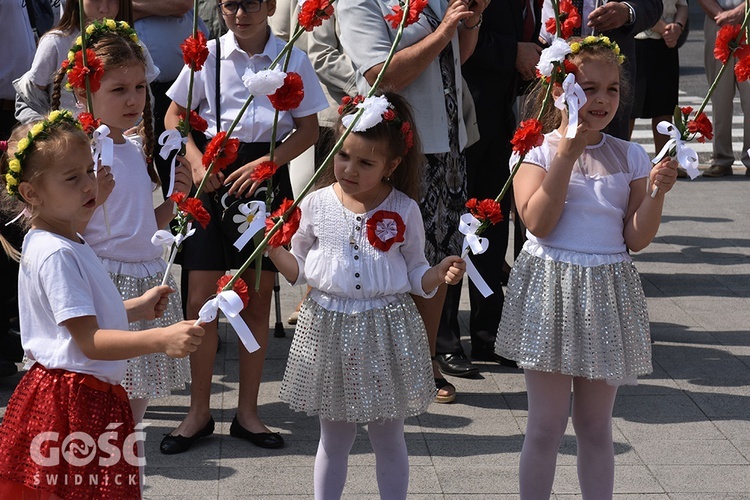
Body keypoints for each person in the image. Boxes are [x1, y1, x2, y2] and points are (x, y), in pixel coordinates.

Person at [495, 36, 678, 498]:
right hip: (551, 286)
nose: (601, 100)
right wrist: (567, 154)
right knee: (547, 424)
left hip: (605, 288)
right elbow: (538, 222)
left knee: (596, 424)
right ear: (560, 90)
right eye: (588, 87)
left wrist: (656, 192)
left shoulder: (630, 155)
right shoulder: (533, 150)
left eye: (612, 89)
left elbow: (635, 238)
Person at [268, 92, 466, 500]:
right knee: (334, 437)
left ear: (391, 165)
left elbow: (414, 274)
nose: (350, 169)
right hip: (329, 324)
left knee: (388, 436)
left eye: (365, 162)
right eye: (343, 156)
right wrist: (272, 249)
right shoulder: (316, 204)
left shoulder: (405, 208)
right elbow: (301, 269)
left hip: (385, 326)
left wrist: (437, 272)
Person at [0, 110, 203, 499]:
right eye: (72, 178)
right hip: (71, 400)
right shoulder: (56, 253)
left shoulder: (65, 239)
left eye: (89, 171)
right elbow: (87, 341)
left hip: (82, 393)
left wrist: (136, 309)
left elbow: (72, 322)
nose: (89, 184)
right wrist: (160, 339)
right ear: (31, 193)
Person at [160, 0, 328, 454]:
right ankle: (197, 413)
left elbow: (309, 129)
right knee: (200, 299)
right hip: (212, 175)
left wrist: (268, 162)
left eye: (252, 2)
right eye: (231, 3)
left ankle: (247, 412)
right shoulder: (208, 54)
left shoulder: (291, 55)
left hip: (261, 177)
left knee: (254, 297)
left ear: (271, 5)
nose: (241, 12)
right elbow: (173, 115)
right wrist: (196, 161)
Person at [339, 0, 489, 403]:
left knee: (436, 257)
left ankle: (425, 359)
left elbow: (458, 55)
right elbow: (381, 75)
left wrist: (469, 19)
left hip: (447, 144)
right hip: (396, 152)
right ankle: (381, 362)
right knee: (388, 255)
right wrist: (443, 31)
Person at [51, 20, 193, 437]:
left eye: (138, 88)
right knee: (100, 395)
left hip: (143, 276)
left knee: (134, 400)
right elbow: (64, 228)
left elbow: (141, 225)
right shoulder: (83, 152)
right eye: (118, 90)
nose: (132, 100)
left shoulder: (132, 148)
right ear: (84, 93)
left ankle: (117, 469)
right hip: (104, 278)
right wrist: (94, 199)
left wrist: (174, 202)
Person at [439, 0, 543, 372]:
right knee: (452, 228)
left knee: (490, 226)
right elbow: (453, 37)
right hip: (464, 116)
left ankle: (489, 334)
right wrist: (511, 52)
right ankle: (445, 338)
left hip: (502, 116)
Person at [539, 0, 663, 139]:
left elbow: (652, 5)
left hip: (609, 72)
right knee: (551, 145)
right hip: (553, 67)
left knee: (610, 151)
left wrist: (627, 11)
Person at [13, 0, 149, 124]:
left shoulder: (132, 44)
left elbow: (147, 99)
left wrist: (141, 128)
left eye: (113, 0)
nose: (104, 8)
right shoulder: (55, 43)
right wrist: (51, 134)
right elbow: (28, 99)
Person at [629, 0, 689, 175]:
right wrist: (664, 28)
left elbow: (682, 4)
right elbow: (634, 6)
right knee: (629, 107)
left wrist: (677, 26)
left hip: (666, 43)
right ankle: (620, 161)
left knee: (664, 106)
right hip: (636, 41)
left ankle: (664, 162)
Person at [698, 0, 750, 176]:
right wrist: (721, 15)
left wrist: (740, 11)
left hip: (748, 18)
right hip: (716, 21)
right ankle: (721, 158)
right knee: (719, 95)